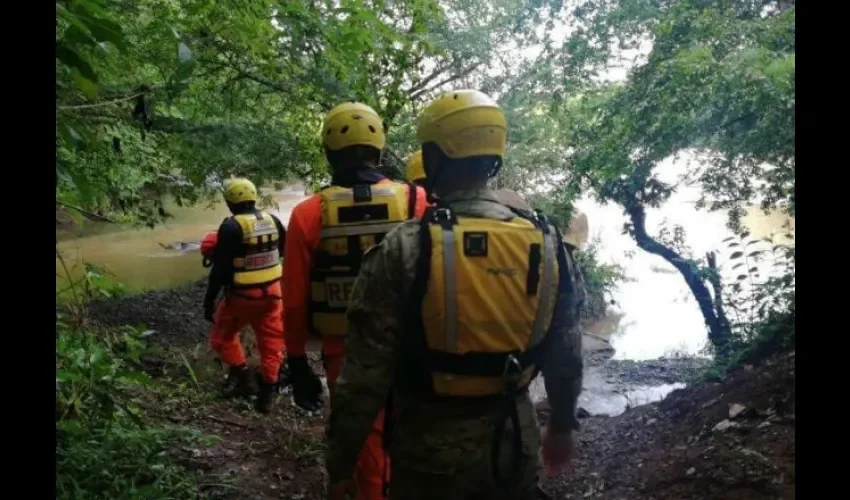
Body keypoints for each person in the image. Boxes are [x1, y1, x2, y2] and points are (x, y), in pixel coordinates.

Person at [326, 90, 585, 500]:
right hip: (514, 444)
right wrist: (562, 427)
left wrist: (341, 465)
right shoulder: (549, 243)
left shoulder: (405, 248)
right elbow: (566, 355)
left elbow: (363, 378)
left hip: (429, 457)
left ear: (434, 158)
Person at [283, 102, 428, 500]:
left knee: (365, 442)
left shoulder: (308, 213)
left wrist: (296, 361)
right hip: (410, 347)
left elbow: (293, 300)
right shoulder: (416, 200)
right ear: (379, 148)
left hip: (343, 351)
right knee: (410, 435)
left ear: (328, 153)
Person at [203, 178, 287, 414]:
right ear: (253, 197)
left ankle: (244, 379)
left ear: (230, 202)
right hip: (272, 295)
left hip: (241, 297)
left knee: (222, 337)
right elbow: (284, 251)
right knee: (272, 345)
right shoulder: (274, 221)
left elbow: (220, 270)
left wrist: (209, 301)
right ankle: (267, 394)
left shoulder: (230, 226)